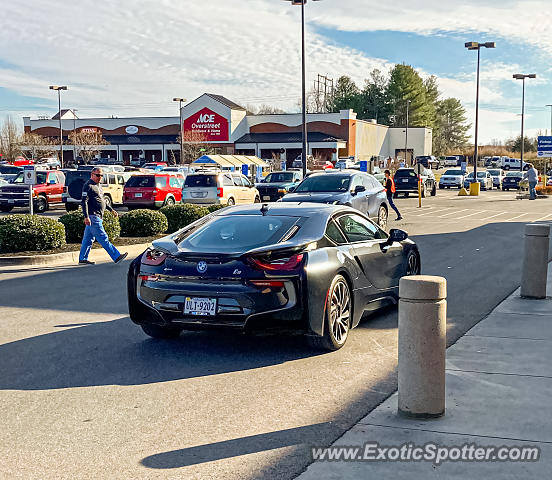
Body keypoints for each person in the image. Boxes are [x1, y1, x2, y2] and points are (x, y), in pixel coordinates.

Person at [79, 167, 128, 265]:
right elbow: (84, 202)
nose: (100, 177)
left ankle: (83, 259)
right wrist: (86, 216)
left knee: (88, 239)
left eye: (101, 175)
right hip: (93, 216)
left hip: (98, 216)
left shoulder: (99, 186)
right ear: (92, 175)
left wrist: (111, 210)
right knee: (103, 237)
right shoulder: (88, 186)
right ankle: (116, 256)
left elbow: (103, 201)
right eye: (98, 175)